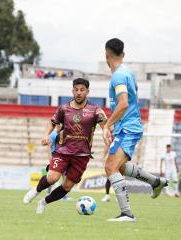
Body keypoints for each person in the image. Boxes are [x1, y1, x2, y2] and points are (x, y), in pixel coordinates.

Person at [103, 38, 168, 222]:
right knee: (120, 167)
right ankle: (156, 182)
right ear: (122, 55)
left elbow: (123, 103)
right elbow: (131, 100)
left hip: (128, 128)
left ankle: (127, 214)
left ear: (106, 55)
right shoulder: (128, 73)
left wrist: (107, 125)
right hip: (127, 127)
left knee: (110, 167)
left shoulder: (118, 77)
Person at [23, 78, 107, 214]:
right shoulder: (64, 108)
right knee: (52, 177)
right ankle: (35, 190)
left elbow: (106, 126)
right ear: (72, 90)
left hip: (82, 155)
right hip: (63, 151)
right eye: (76, 90)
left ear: (87, 91)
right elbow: (52, 122)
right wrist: (45, 135)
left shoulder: (95, 110)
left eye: (82, 90)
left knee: (67, 186)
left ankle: (43, 202)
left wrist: (106, 134)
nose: (79, 93)